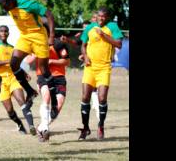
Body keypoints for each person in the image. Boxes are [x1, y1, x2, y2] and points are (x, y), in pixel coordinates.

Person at [0, 0, 55, 142]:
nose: (5, 9)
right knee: (13, 63)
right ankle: (30, 91)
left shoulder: (27, 3)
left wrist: (52, 36)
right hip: (25, 37)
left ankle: (53, 94)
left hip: (39, 36)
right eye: (3, 7)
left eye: (6, 5)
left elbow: (49, 14)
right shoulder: (9, 6)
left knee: (43, 69)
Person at [77, 7, 123, 140]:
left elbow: (119, 44)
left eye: (104, 16)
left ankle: (101, 125)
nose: (101, 18)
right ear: (96, 16)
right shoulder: (90, 27)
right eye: (99, 16)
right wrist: (85, 56)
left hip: (104, 68)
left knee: (102, 98)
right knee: (85, 97)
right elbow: (83, 45)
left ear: (107, 17)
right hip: (90, 68)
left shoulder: (112, 26)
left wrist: (104, 35)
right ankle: (85, 128)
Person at [0, 25, 37, 135]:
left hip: (13, 78)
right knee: (10, 110)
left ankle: (31, 126)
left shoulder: (12, 48)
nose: (4, 33)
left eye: (6, 31)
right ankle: (19, 124)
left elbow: (15, 64)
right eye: (1, 31)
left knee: (22, 101)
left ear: (8, 33)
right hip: (1, 81)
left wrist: (24, 73)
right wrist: (8, 61)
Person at [36, 25, 70, 126]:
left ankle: (44, 125)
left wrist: (52, 61)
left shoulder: (58, 44)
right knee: (46, 97)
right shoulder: (35, 43)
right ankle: (44, 128)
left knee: (58, 105)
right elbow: (28, 60)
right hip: (43, 75)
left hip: (59, 77)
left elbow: (67, 61)